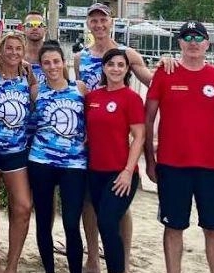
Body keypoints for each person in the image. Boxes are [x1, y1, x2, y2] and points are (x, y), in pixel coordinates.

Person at [144, 21, 214, 273]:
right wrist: (150, 160)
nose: (193, 43)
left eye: (198, 38)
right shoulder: (164, 74)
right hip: (172, 165)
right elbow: (148, 118)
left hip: (212, 167)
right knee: (174, 226)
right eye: (187, 38)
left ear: (207, 44)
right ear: (180, 43)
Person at [73, 2, 153, 273]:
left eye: (103, 20)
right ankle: (93, 258)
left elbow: (151, 81)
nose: (98, 24)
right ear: (88, 24)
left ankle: (123, 260)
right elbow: (78, 94)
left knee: (119, 207)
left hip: (118, 137)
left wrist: (170, 68)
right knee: (89, 203)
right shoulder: (80, 57)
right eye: (93, 20)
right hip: (90, 137)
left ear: (111, 22)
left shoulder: (126, 53)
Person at [28, 40, 87, 273]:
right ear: (40, 66)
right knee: (43, 221)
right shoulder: (35, 91)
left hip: (74, 163)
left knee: (72, 222)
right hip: (41, 161)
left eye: (56, 61)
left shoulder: (80, 88)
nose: (51, 67)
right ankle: (49, 269)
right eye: (46, 63)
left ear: (64, 63)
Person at [85, 48, 145, 273]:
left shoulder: (131, 98)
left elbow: (139, 136)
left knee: (108, 223)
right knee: (104, 224)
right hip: (94, 173)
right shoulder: (92, 98)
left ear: (127, 69)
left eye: (121, 65)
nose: (116, 69)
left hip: (120, 174)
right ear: (103, 68)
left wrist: (128, 171)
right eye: (111, 64)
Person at [0, 31, 35, 273]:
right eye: (9, 48)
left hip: (16, 150)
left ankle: (11, 266)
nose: (13, 52)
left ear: (23, 53)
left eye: (18, 49)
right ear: (0, 50)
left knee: (22, 207)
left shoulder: (27, 75)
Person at [23, 10, 48, 83]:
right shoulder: (16, 55)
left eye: (39, 25)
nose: (35, 28)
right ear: (23, 29)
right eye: (30, 25)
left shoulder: (54, 57)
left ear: (45, 30)